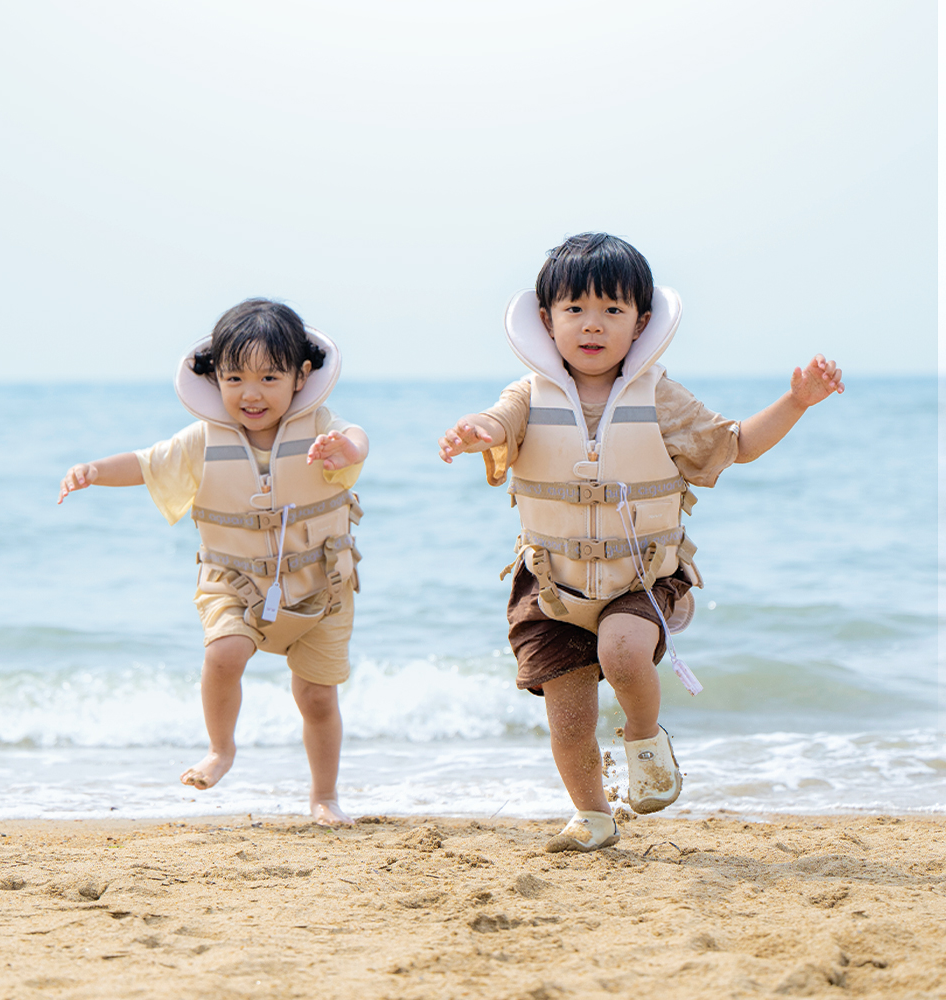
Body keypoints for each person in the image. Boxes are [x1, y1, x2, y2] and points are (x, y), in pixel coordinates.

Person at [438, 233, 843, 852]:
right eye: (574, 310)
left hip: (642, 576)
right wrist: (475, 432)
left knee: (624, 652)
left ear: (642, 322)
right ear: (546, 321)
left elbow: (733, 446)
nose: (592, 325)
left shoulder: (659, 394)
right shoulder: (526, 394)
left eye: (612, 310)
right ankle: (594, 817)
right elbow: (500, 426)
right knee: (568, 718)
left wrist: (796, 401)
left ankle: (646, 740)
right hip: (551, 581)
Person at [59, 299, 368, 826]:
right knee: (225, 652)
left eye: (270, 377)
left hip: (321, 585)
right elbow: (144, 462)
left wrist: (346, 449)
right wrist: (93, 469)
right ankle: (221, 748)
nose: (251, 393)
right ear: (214, 379)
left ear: (302, 376)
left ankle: (324, 796)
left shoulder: (322, 428)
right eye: (234, 378)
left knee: (317, 697)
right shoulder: (203, 440)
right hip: (233, 581)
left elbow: (358, 440)